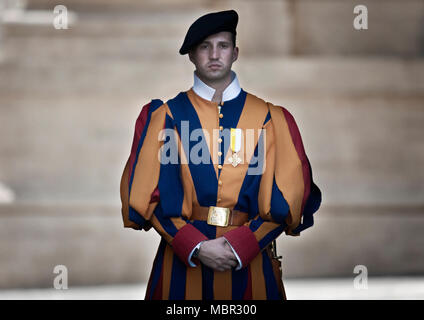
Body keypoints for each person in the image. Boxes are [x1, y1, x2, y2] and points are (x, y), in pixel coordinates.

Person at [120, 9, 321, 300]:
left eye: (223, 46)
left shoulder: (270, 119)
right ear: (192, 54)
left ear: (235, 52)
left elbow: (285, 199)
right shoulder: (166, 117)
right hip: (180, 267)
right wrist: (195, 246)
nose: (214, 54)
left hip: (251, 266)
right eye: (205, 46)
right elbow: (150, 198)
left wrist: (242, 245)